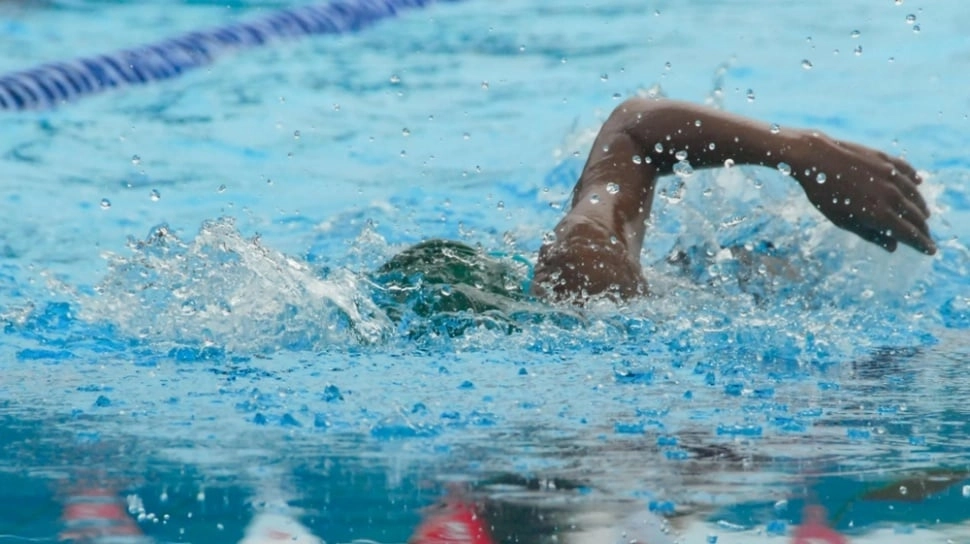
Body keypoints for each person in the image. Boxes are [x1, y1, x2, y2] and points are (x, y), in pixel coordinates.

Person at [377, 97, 935, 313]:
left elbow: (637, 128)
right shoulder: (584, 281)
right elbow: (633, 130)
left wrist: (805, 153)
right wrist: (798, 151)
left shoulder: (583, 275)